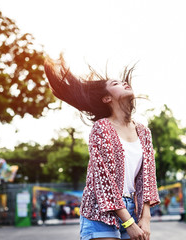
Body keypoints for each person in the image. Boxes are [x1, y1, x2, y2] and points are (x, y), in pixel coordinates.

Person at [44, 55, 160, 240]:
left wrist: (145, 218)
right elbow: (104, 181)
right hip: (99, 211)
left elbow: (147, 178)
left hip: (133, 209)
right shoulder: (101, 128)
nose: (123, 83)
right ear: (107, 98)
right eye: (116, 84)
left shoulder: (144, 132)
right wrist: (128, 223)